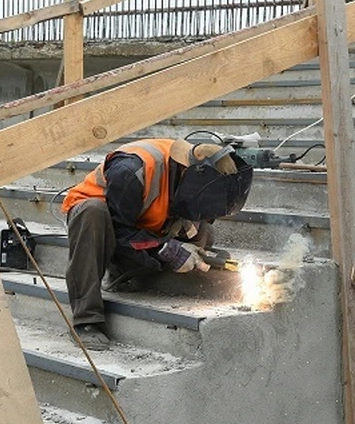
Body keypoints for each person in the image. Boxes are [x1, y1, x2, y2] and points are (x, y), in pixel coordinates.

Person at [61, 138, 254, 350]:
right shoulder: (132, 170)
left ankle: (129, 273)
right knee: (92, 213)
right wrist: (167, 249)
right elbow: (119, 231)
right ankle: (86, 320)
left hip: (145, 222)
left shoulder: (189, 174)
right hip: (102, 225)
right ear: (189, 175)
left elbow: (193, 215)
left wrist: (191, 240)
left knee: (205, 234)